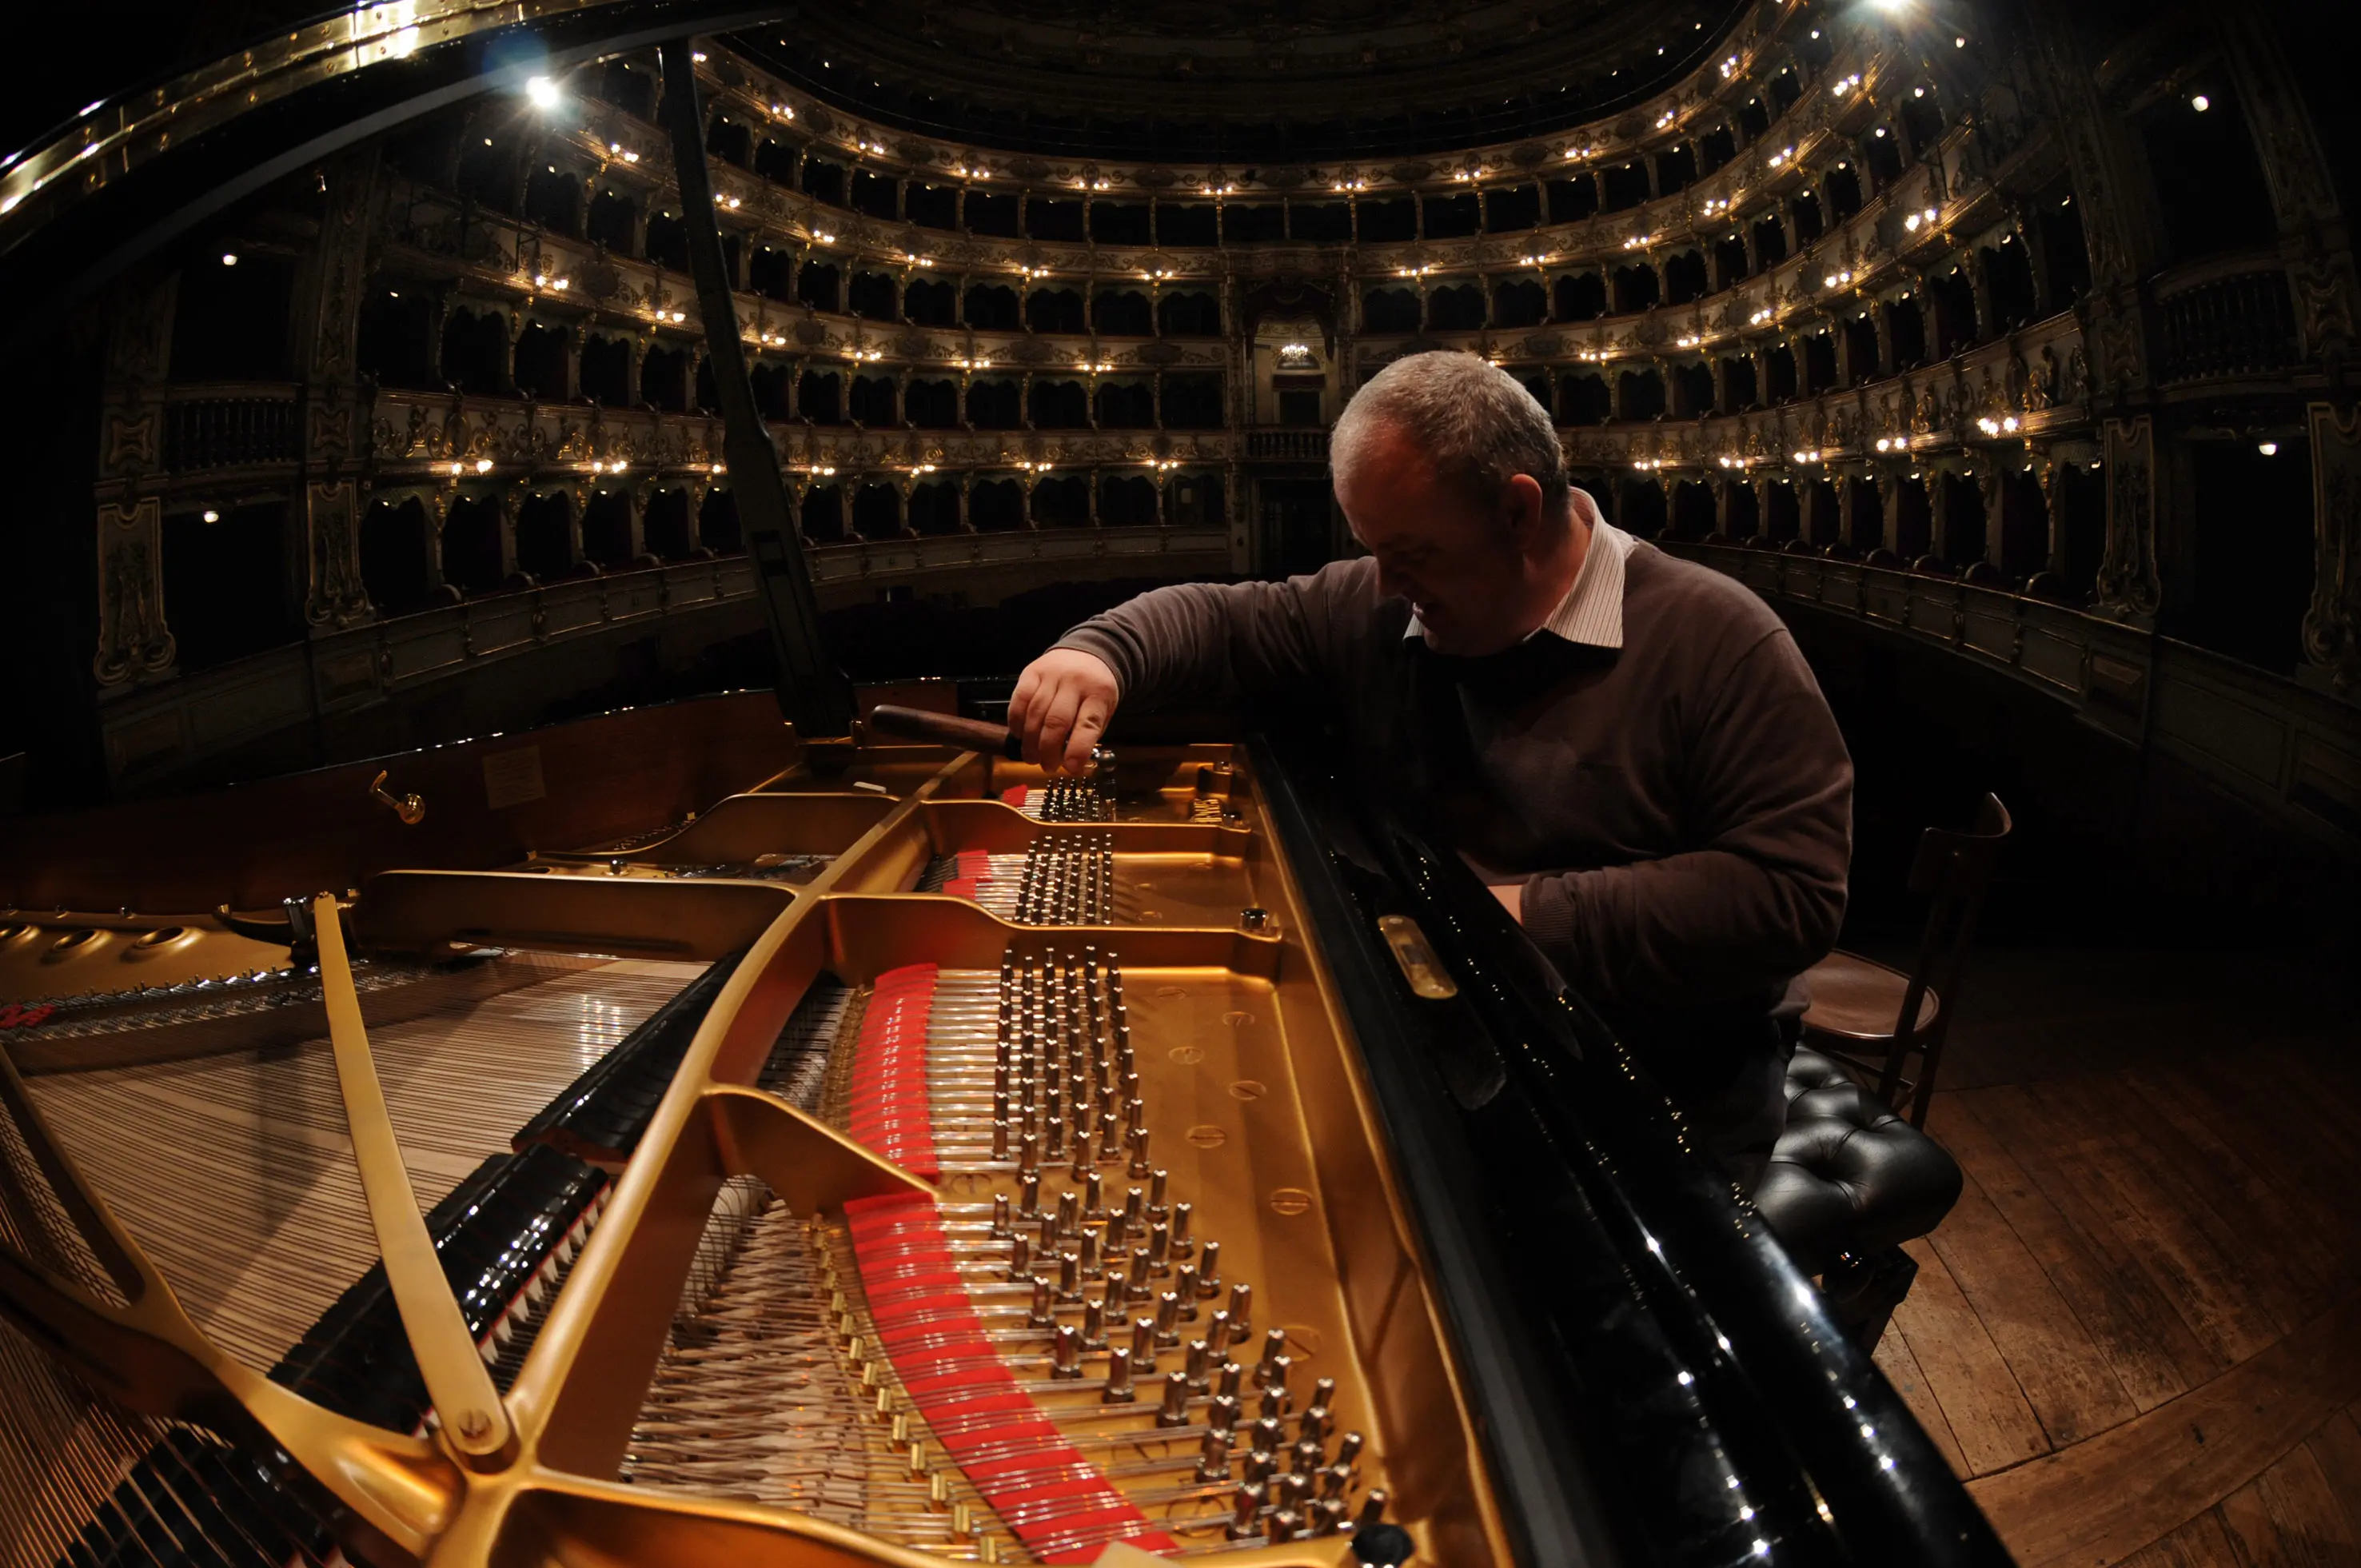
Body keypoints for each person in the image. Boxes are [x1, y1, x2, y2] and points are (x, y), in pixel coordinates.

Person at [1008, 351, 1852, 1191]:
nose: (1385, 582)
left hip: (1657, 1077)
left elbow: (1788, 893)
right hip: (1459, 1033)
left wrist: (1502, 917)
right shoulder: (1386, 603)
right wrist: (1101, 652)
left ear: (1518, 511)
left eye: (1410, 552)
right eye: (1373, 550)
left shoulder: (1721, 640)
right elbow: (1223, 619)